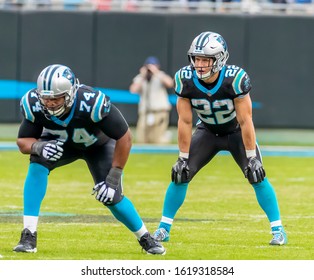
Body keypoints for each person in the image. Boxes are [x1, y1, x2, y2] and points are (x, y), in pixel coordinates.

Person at [13, 64, 165, 255]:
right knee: (37, 163)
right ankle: (28, 235)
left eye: (56, 98)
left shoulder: (91, 102)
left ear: (70, 93)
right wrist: (38, 146)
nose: (50, 103)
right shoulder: (33, 103)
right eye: (46, 98)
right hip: (59, 144)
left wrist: (114, 177)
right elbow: (23, 141)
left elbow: (124, 137)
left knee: (111, 196)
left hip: (97, 146)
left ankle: (146, 238)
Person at [153, 31, 287, 246]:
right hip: (207, 132)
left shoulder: (234, 79)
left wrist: (252, 156)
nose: (200, 64)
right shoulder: (184, 79)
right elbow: (185, 122)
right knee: (181, 173)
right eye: (197, 58)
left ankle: (278, 230)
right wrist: (182, 156)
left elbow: (246, 121)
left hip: (235, 132)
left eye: (205, 59)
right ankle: (163, 229)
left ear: (220, 59)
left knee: (257, 175)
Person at [129, 56, 174, 144]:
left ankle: (166, 137)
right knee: (142, 139)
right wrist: (142, 76)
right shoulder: (141, 77)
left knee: (158, 140)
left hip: (159, 112)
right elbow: (133, 90)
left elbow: (170, 83)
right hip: (145, 113)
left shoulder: (160, 75)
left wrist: (156, 73)